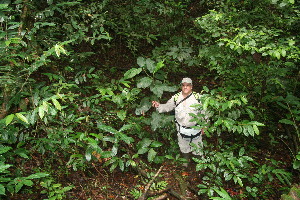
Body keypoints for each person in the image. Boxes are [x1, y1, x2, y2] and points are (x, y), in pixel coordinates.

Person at [152, 77, 206, 166]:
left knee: (198, 150)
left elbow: (205, 112)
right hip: (182, 131)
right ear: (181, 86)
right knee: (184, 149)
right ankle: (186, 167)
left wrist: (205, 126)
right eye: (183, 85)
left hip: (196, 130)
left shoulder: (198, 98)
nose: (185, 87)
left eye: (188, 85)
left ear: (191, 87)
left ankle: (199, 169)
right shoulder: (176, 97)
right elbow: (167, 107)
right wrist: (159, 106)